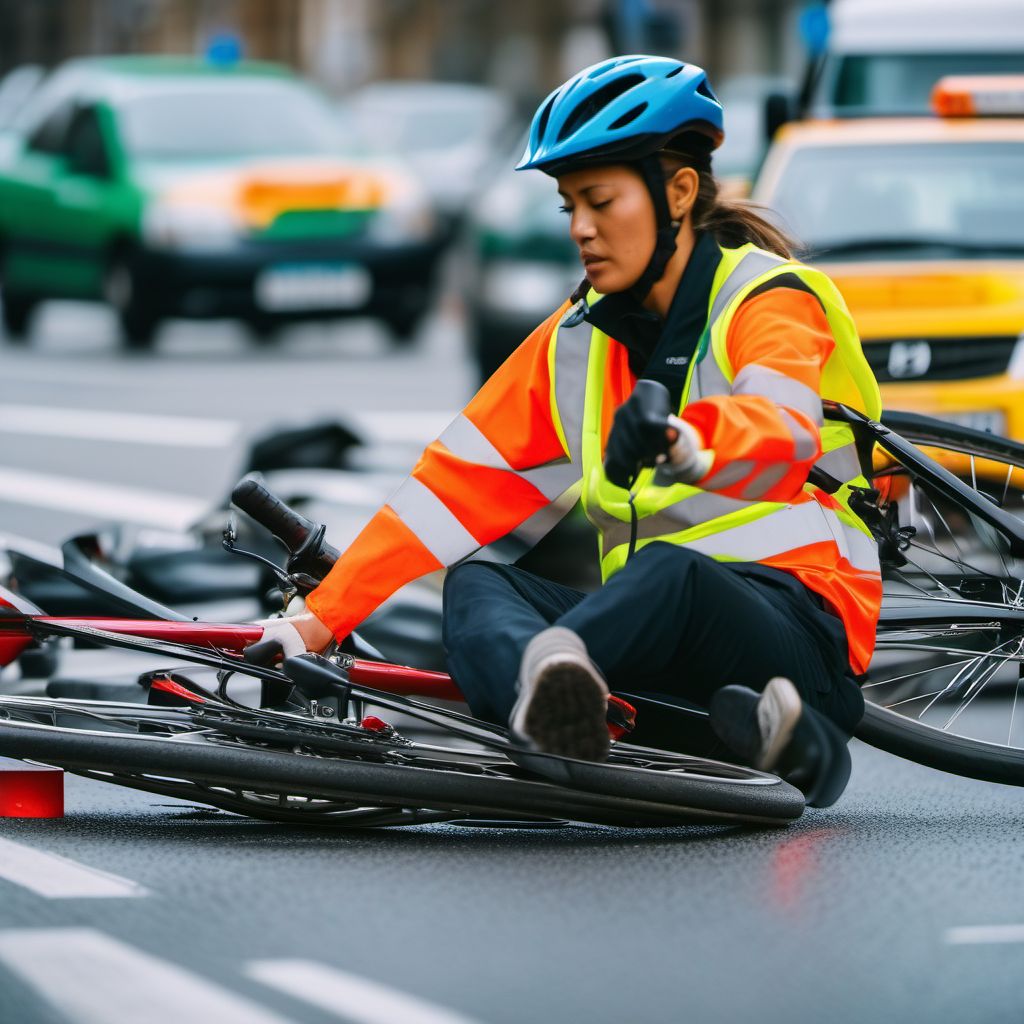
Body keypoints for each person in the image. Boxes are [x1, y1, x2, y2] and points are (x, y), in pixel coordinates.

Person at [271, 55, 884, 807]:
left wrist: (688, 444)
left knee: (672, 572)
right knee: (476, 582)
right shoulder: (577, 337)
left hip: (795, 630)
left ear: (680, 193)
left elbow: (781, 431)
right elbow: (451, 490)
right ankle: (558, 711)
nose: (581, 230)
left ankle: (728, 718)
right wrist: (317, 619)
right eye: (569, 207)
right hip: (644, 656)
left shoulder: (767, 298)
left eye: (600, 201)